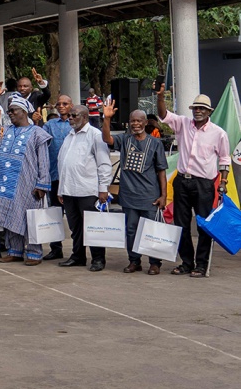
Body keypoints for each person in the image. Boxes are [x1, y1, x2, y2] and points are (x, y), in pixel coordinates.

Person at [156, 85, 231, 277]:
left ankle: (201, 265)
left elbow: (224, 159)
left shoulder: (218, 133)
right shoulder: (183, 124)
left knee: (203, 225)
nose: (198, 111)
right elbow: (163, 115)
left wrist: (223, 182)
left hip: (204, 185)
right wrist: (160, 97)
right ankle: (186, 263)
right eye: (196, 108)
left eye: (202, 108)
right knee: (181, 224)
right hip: (182, 181)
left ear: (209, 112)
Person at [102, 103, 168, 275]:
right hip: (129, 195)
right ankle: (134, 261)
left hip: (150, 196)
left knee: (152, 230)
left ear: (146, 122)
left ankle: (154, 263)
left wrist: (164, 195)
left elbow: (161, 171)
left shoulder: (155, 143)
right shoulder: (125, 139)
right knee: (131, 230)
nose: (136, 124)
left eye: (139, 121)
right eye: (133, 121)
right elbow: (107, 139)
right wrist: (107, 119)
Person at [0, 97, 53, 266]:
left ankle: (34, 252)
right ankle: (14, 251)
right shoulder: (6, 130)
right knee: (10, 216)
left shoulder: (37, 133)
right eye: (9, 111)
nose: (10, 113)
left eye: (13, 110)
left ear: (23, 112)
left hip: (27, 183)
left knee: (29, 218)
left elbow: (44, 161)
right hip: (5, 183)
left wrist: (42, 184)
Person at [55, 105, 114, 271]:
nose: (70, 118)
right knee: (75, 227)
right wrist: (61, 189)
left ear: (85, 117)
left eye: (74, 115)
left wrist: (103, 188)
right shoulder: (69, 135)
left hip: (88, 190)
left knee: (93, 227)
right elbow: (63, 164)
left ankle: (98, 259)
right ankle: (78, 256)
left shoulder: (95, 135)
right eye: (70, 115)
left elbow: (104, 163)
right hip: (69, 190)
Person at [40, 95, 74, 261]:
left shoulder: (77, 124)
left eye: (65, 104)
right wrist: (37, 122)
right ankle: (56, 249)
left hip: (73, 178)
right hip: (54, 175)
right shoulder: (50, 124)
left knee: (74, 216)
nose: (61, 106)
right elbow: (40, 140)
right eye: (59, 104)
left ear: (71, 105)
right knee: (55, 214)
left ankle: (78, 251)